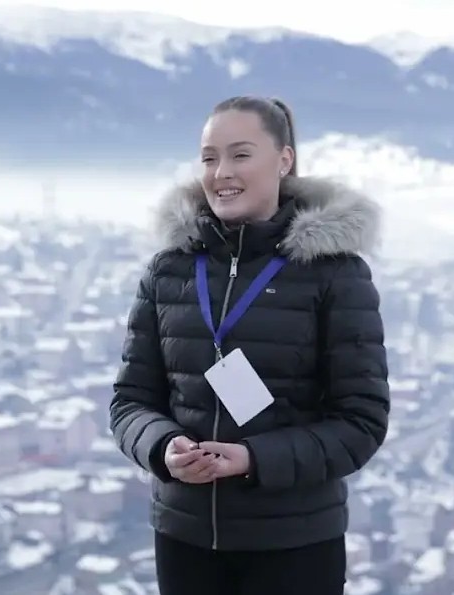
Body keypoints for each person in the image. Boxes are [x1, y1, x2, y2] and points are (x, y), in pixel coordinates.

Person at [109, 95, 390, 595]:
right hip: (185, 538)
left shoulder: (334, 274)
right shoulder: (168, 269)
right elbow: (130, 401)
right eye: (209, 157)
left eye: (240, 154)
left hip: (294, 544)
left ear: (283, 160)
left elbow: (361, 421)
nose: (221, 172)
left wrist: (253, 459)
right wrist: (161, 447)